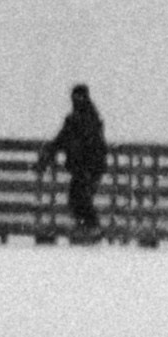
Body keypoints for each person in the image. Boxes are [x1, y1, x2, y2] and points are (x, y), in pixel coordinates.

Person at [45, 81, 108, 241]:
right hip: (81, 167)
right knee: (77, 198)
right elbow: (60, 140)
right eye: (75, 96)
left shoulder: (89, 119)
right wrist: (48, 154)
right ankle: (87, 227)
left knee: (80, 197)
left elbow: (95, 145)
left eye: (79, 96)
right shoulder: (76, 119)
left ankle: (90, 227)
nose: (76, 99)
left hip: (88, 167)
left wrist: (91, 165)